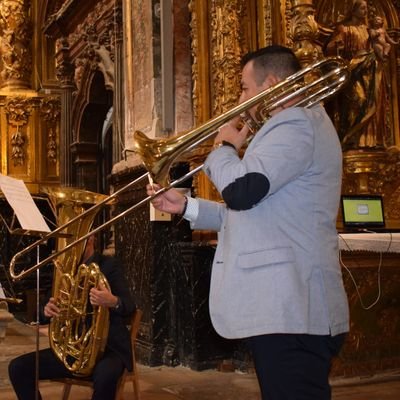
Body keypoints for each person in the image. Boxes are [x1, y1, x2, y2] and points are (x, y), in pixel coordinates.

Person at [147, 45, 349, 400]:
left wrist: (222, 149)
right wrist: (186, 207)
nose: (241, 97)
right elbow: (249, 212)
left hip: (292, 306)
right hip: (285, 307)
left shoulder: (297, 121)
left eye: (244, 86)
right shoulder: (287, 126)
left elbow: (242, 191)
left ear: (270, 83)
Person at [8, 234, 136, 400]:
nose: (68, 245)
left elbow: (129, 306)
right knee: (18, 368)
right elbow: (42, 311)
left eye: (74, 240)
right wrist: (46, 310)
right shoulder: (66, 269)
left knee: (105, 377)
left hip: (108, 348)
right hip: (71, 350)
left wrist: (112, 301)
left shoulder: (109, 265)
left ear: (90, 239)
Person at [325, 0, 387, 149]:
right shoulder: (344, 29)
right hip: (354, 71)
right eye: (362, 8)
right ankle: (349, 139)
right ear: (353, 10)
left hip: (370, 71)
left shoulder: (368, 29)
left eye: (366, 8)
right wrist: (336, 45)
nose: (365, 11)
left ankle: (367, 141)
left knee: (373, 102)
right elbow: (329, 48)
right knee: (359, 100)